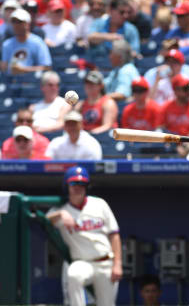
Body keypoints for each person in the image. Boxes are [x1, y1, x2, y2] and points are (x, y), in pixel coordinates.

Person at [46, 166, 122, 306]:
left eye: (82, 184)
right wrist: (61, 214)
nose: (78, 187)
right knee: (73, 274)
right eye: (74, 183)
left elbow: (114, 234)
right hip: (83, 262)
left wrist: (117, 264)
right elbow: (44, 221)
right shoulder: (61, 209)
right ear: (67, 185)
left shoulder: (99, 204)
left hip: (105, 262)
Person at [157, 74, 189, 156]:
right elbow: (160, 127)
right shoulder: (166, 107)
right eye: (185, 89)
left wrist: (184, 144)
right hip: (171, 144)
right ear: (175, 91)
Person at [1, 8, 52, 74]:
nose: (16, 25)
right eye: (14, 21)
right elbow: (5, 68)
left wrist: (23, 70)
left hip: (33, 82)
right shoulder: (7, 44)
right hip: (12, 82)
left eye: (19, 22)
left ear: (27, 24)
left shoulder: (38, 42)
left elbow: (47, 67)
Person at [75, 70, 119, 134]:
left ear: (101, 86)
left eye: (92, 83)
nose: (89, 86)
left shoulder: (108, 103)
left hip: (103, 139)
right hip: (85, 138)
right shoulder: (80, 105)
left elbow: (107, 126)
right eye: (87, 83)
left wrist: (89, 134)